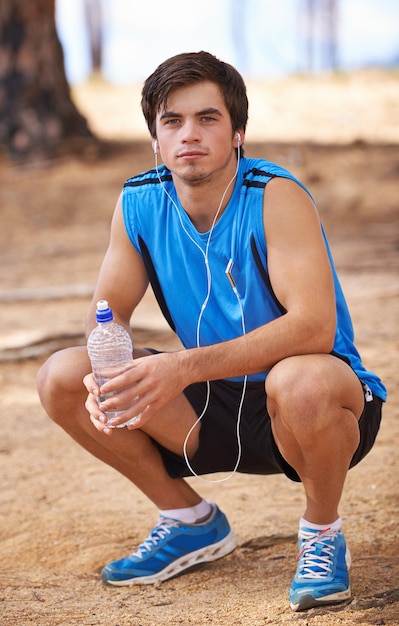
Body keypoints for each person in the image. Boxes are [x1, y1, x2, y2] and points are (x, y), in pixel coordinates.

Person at [36, 51, 386, 612]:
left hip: (314, 403)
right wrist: (108, 375)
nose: (189, 135)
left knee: (301, 381)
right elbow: (108, 316)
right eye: (172, 121)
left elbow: (315, 328)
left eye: (208, 118)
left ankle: (322, 535)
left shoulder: (276, 196)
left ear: (238, 131)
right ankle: (189, 519)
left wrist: (180, 366)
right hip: (209, 410)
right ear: (154, 137)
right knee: (62, 376)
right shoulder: (138, 202)